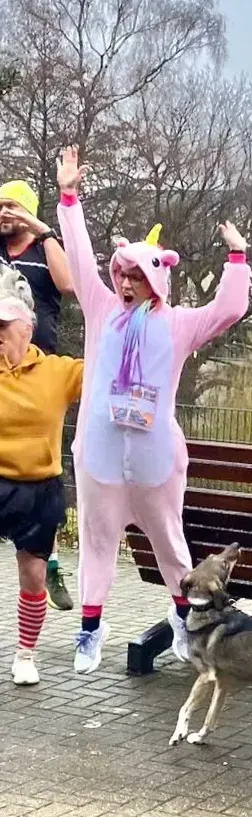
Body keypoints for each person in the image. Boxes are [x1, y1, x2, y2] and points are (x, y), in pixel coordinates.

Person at [55, 145, 251, 674]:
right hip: (99, 454)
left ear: (155, 281)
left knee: (170, 543)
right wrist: (69, 198)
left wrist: (237, 257)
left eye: (134, 276)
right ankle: (90, 631)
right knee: (97, 540)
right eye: (120, 274)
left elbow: (230, 308)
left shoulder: (179, 323)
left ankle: (186, 627)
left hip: (154, 459)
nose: (122, 284)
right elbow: (76, 259)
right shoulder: (101, 312)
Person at [0, 263, 83, 683]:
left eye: (3, 325)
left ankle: (25, 655)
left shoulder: (56, 372)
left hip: (37, 487)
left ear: (27, 330)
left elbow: (109, 370)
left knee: (34, 575)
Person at [0, 179, 77, 611]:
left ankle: (43, 558)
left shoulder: (42, 247)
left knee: (37, 465)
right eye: (0, 206)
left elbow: (68, 285)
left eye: (12, 206)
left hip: (38, 368)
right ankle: (40, 559)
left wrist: (41, 228)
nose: (4, 213)